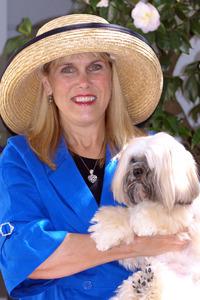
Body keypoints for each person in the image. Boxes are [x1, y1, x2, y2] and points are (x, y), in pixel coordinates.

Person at [0, 14, 188, 300]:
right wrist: (136, 244)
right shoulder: (21, 158)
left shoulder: (150, 152)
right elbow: (23, 253)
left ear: (111, 77)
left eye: (95, 67)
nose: (84, 82)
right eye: (67, 70)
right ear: (47, 83)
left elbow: (184, 234)